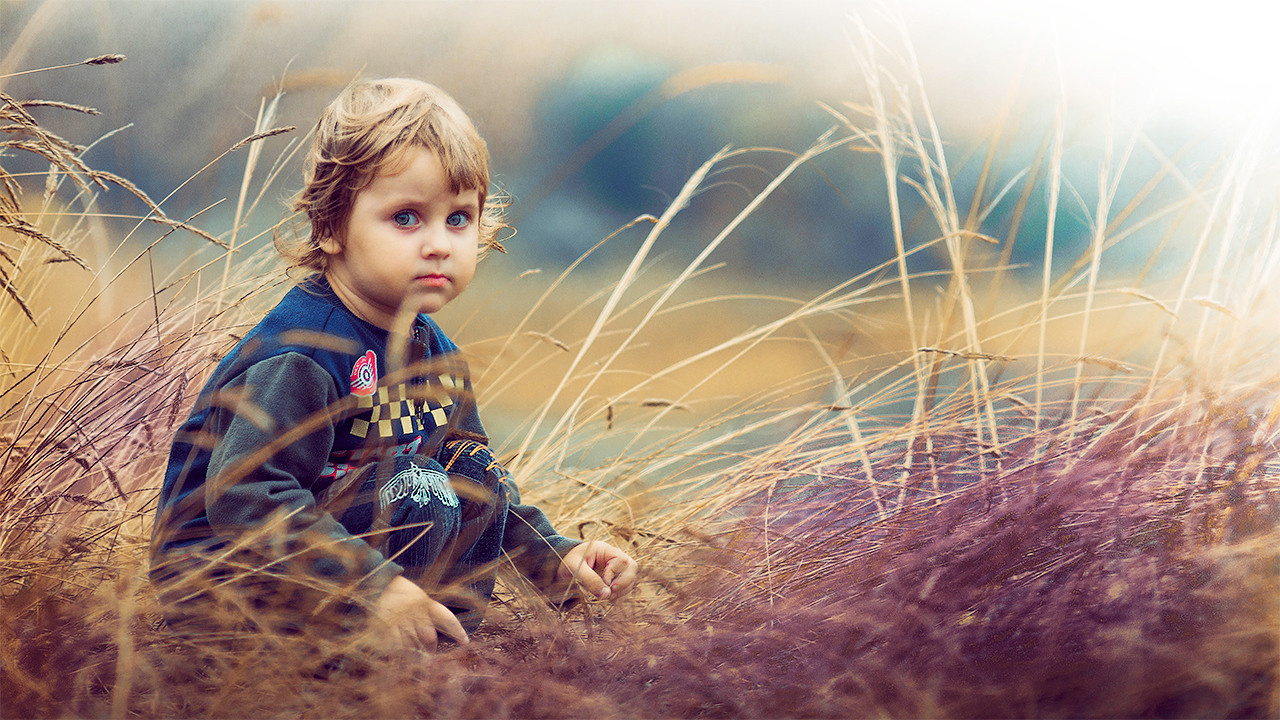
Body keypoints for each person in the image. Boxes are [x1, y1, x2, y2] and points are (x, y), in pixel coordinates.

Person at [150, 77, 637, 650]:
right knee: (422, 483)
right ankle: (363, 660)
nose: (439, 243)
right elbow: (246, 497)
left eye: (458, 218)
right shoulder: (302, 355)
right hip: (227, 594)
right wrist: (373, 588)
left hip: (344, 565)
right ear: (330, 227)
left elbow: (482, 481)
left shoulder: (437, 358)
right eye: (406, 218)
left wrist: (556, 558)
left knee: (466, 473)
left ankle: (437, 643)